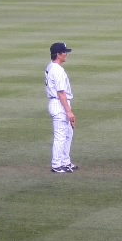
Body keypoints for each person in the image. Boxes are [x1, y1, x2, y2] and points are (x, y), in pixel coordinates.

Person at [45, 42, 77, 173]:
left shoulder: (51, 66)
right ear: (58, 55)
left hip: (60, 103)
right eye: (64, 52)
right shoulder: (57, 70)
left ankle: (65, 161)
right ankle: (56, 164)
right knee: (60, 136)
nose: (66, 55)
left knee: (68, 133)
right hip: (59, 104)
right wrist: (69, 112)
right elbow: (61, 93)